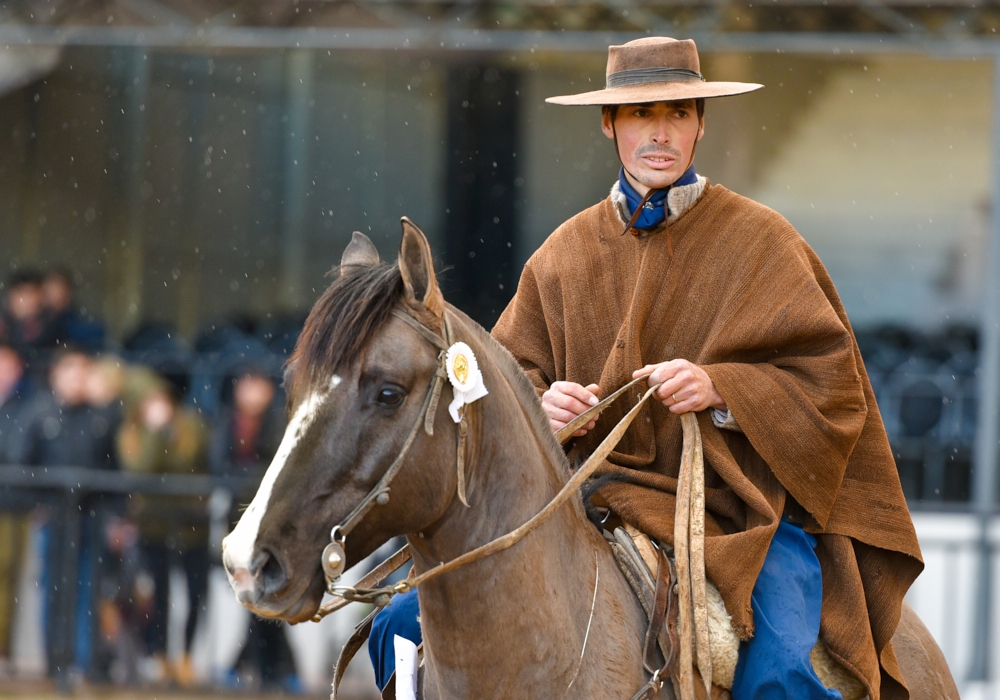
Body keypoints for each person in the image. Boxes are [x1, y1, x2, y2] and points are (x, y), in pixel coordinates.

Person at [374, 37, 923, 700]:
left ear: (700, 124)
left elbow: (834, 391)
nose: (660, 132)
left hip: (735, 520)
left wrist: (726, 389)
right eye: (640, 114)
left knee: (785, 667)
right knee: (399, 627)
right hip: (580, 504)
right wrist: (539, 406)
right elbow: (495, 390)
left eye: (678, 113)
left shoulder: (766, 243)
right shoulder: (561, 256)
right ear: (609, 124)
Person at [209, 369, 299, 691]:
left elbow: (275, 468)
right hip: (238, 526)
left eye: (257, 384)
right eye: (245, 384)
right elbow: (217, 465)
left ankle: (270, 670)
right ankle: (279, 670)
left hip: (270, 526)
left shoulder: (277, 423)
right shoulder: (228, 423)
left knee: (263, 598)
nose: (251, 392)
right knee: (257, 600)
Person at [116, 380, 208, 686]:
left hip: (190, 527)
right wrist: (156, 435)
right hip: (153, 527)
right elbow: (140, 470)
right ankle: (160, 656)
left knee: (195, 594)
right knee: (159, 594)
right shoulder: (132, 433)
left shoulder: (190, 424)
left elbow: (190, 459)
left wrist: (169, 432)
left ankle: (186, 655)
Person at [41, 269, 105, 351]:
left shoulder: (86, 326)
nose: (54, 297)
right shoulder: (37, 327)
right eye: (49, 292)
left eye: (59, 290)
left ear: (68, 292)